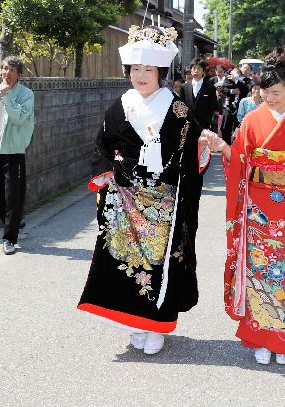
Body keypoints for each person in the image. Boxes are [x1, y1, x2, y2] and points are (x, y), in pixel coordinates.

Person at [77, 25, 210, 356]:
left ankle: (155, 324)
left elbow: (191, 151)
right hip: (124, 198)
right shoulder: (118, 106)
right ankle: (134, 323)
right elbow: (102, 145)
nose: (140, 75)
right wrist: (105, 172)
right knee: (125, 261)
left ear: (160, 72)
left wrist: (203, 146)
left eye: (147, 69)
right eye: (135, 69)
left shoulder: (177, 109)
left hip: (161, 202)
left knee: (156, 263)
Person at [203, 47, 285, 366]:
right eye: (265, 92)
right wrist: (223, 149)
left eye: (276, 92)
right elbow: (241, 159)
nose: (269, 98)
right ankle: (260, 336)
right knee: (259, 269)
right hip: (257, 210)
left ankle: (284, 339)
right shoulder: (252, 119)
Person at [0, 55, 35, 255]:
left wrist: (7, 97)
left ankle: (9, 238)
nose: (7, 73)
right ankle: (14, 222)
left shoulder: (26, 94)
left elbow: (20, 118)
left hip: (14, 150)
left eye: (12, 70)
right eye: (4, 69)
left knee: (14, 196)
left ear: (19, 74)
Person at [182, 57, 218, 133]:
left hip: (204, 126)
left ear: (203, 71)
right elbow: (182, 106)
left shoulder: (210, 88)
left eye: (199, 68)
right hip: (187, 125)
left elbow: (211, 108)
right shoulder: (184, 87)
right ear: (190, 70)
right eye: (194, 68)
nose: (196, 70)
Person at [221, 68, 247, 145]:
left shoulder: (244, 81)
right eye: (234, 73)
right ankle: (227, 145)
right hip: (228, 107)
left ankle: (236, 145)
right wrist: (232, 91)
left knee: (238, 128)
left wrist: (236, 80)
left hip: (239, 109)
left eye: (238, 73)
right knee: (225, 128)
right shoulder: (227, 79)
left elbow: (245, 89)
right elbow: (223, 89)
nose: (236, 74)